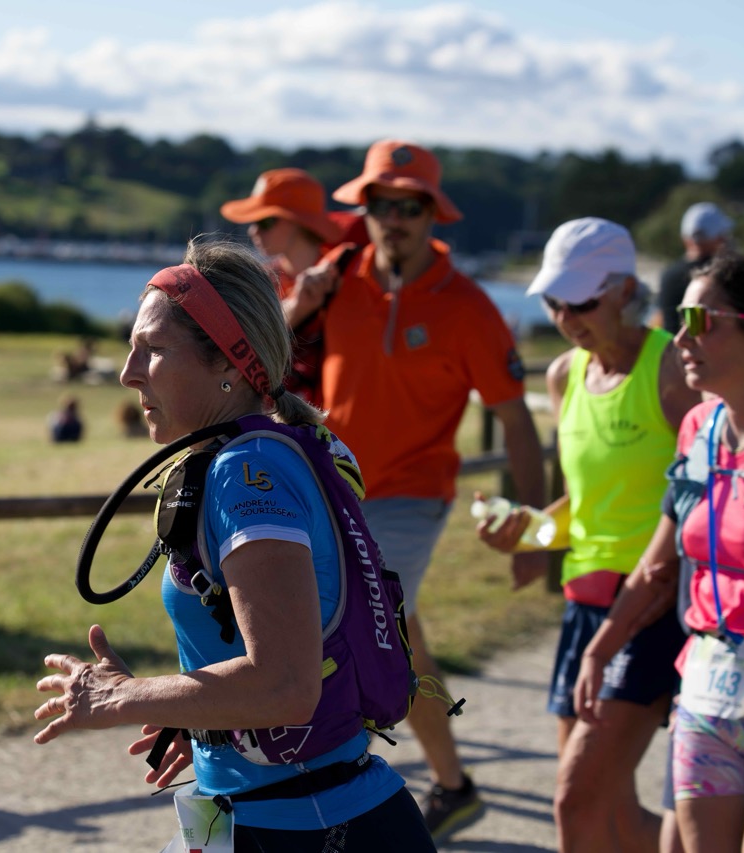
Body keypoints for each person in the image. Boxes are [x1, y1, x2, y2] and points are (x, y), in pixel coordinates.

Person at [34, 239, 435, 851]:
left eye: (154, 350)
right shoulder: (266, 454)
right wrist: (199, 715)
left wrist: (122, 696)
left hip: (310, 828)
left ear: (226, 362)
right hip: (282, 813)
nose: (128, 373)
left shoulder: (247, 474)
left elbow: (284, 685)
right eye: (132, 348)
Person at [294, 138, 550, 842]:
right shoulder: (336, 280)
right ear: (365, 209)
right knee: (399, 639)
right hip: (332, 489)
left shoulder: (467, 306)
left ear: (434, 214)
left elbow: (514, 418)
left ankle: (335, 802)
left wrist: (531, 531)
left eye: (410, 206)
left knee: (353, 627)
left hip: (411, 494)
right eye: (381, 204)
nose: (394, 218)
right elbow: (269, 355)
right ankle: (454, 786)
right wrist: (298, 301)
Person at [573, 255, 744, 853]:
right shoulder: (699, 427)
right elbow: (657, 564)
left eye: (700, 320)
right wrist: (600, 648)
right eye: (678, 320)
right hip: (706, 695)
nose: (680, 338)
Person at [480, 217, 698, 852]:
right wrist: (526, 533)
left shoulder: (673, 369)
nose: (565, 317)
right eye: (554, 301)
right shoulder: (563, 375)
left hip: (653, 606)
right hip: (583, 604)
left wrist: (663, 582)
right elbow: (587, 503)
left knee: (576, 802)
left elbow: (702, 495)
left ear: (626, 290)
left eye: (581, 302)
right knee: (612, 817)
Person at [220, 168, 347, 407]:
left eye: (265, 221)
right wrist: (297, 307)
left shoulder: (347, 273)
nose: (253, 230)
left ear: (298, 222)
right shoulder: (260, 281)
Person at [658, 202, 733, 335]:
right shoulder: (721, 274)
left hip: (670, 346)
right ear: (718, 237)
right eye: (722, 235)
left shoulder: (668, 275)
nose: (725, 240)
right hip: (701, 346)